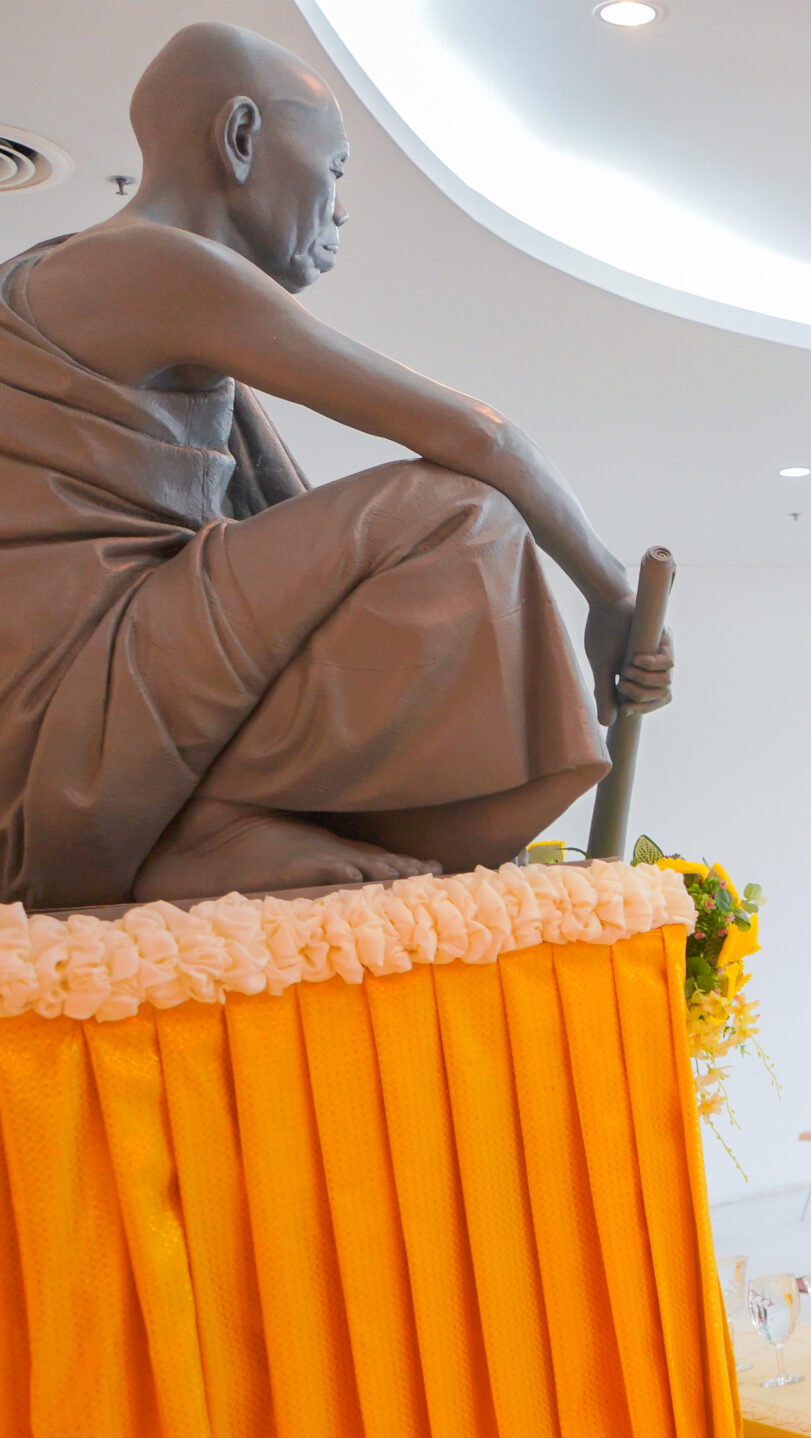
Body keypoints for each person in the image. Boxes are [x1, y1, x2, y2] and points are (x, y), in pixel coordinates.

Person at [0, 25, 672, 907]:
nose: (342, 210)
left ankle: (209, 821)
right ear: (241, 137)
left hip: (87, 708)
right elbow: (478, 439)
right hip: (65, 733)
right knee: (458, 512)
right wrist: (612, 594)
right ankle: (205, 825)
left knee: (408, 561)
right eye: (336, 169)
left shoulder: (105, 281)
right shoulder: (149, 264)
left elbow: (308, 571)